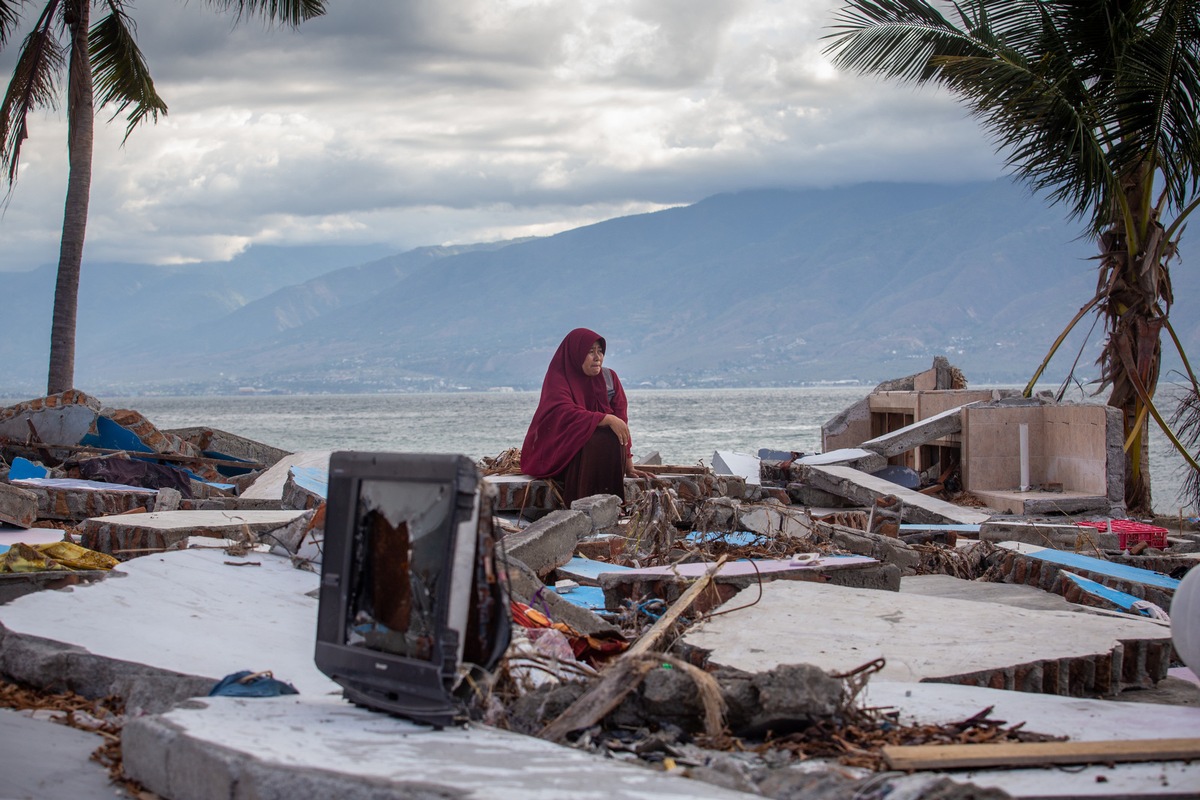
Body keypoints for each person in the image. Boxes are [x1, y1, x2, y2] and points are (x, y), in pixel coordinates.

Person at [520, 328, 651, 505]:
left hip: (600, 458)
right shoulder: (559, 378)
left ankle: (612, 505)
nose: (597, 357)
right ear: (576, 354)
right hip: (561, 454)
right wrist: (606, 419)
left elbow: (622, 423)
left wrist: (628, 463)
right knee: (592, 438)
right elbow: (563, 411)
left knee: (608, 436)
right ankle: (580, 504)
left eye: (600, 351)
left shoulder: (609, 379)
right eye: (590, 352)